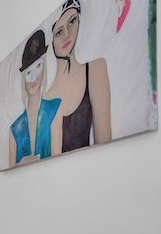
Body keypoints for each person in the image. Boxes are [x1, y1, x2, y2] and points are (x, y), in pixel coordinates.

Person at [45, 0, 112, 154]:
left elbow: (105, 141)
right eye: (59, 32)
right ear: (52, 40)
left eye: (72, 21)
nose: (67, 34)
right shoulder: (47, 94)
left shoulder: (95, 67)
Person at [9, 30, 62, 168]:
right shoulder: (15, 128)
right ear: (23, 80)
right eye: (28, 72)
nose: (34, 78)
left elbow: (58, 158)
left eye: (38, 66)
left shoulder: (54, 109)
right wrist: (21, 164)